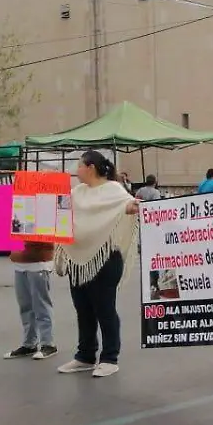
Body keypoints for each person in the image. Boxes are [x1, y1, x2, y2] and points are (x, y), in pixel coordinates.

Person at [55, 150, 140, 378]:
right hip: (77, 260)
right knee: (83, 310)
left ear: (90, 167)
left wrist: (133, 207)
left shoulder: (113, 189)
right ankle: (85, 355)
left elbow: (127, 206)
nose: (76, 171)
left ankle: (110, 357)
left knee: (105, 309)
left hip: (104, 259)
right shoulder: (77, 192)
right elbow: (60, 212)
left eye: (79, 166)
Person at [4, 240, 57, 360]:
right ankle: (29, 344)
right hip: (20, 263)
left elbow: (49, 239)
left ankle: (48, 344)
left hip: (38, 263)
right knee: (25, 305)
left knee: (41, 305)